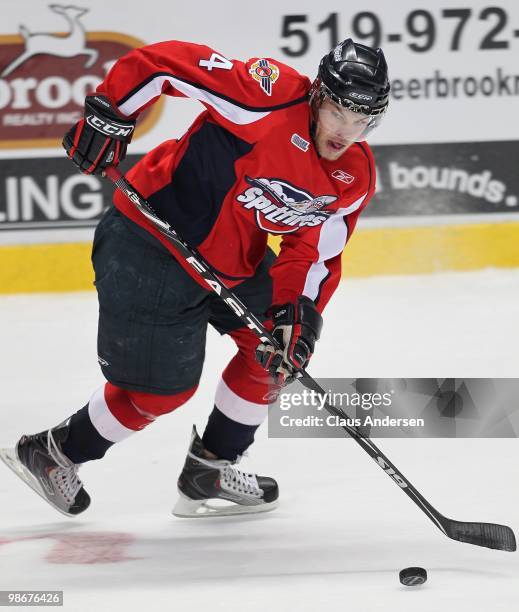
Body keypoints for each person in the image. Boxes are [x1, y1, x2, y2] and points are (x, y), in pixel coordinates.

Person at [1, 38, 390, 517]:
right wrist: (111, 115)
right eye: (339, 112)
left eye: (363, 120)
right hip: (150, 244)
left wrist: (299, 314)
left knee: (276, 352)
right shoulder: (266, 95)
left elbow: (313, 253)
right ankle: (53, 452)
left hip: (232, 260)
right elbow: (161, 63)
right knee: (161, 392)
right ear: (317, 96)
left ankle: (210, 467)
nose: (347, 131)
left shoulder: (354, 173)